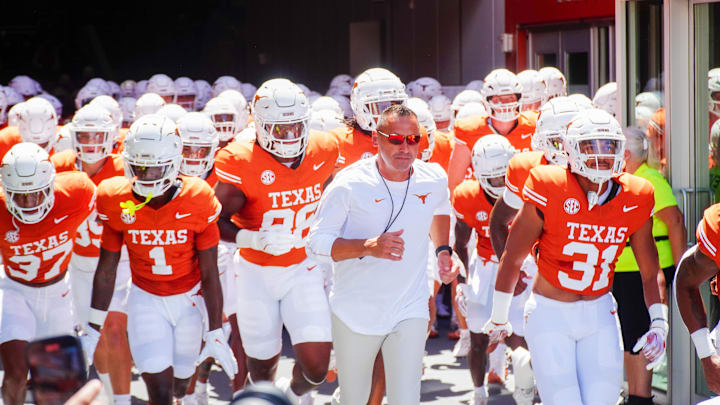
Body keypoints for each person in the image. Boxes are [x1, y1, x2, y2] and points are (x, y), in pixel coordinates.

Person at [484, 109, 667, 405]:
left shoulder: (636, 194)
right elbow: (513, 256)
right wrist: (499, 316)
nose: (601, 156)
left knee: (603, 401)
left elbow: (650, 271)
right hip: (550, 312)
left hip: (600, 311)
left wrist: (659, 322)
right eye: (590, 146)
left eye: (608, 146)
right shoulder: (548, 184)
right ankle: (523, 364)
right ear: (569, 149)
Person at [83, 114, 237, 405]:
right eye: (140, 167)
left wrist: (215, 330)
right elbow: (107, 268)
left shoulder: (197, 196)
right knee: (160, 394)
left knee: (180, 386)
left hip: (190, 300)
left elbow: (209, 271)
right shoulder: (115, 197)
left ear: (174, 162)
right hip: (145, 298)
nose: (148, 174)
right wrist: (93, 327)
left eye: (156, 167)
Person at [306, 104, 454, 405]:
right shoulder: (348, 183)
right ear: (376, 139)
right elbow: (316, 244)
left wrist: (442, 251)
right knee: (355, 399)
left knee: (407, 398)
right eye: (396, 139)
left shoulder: (433, 177)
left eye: (413, 139)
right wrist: (367, 246)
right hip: (355, 311)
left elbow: (440, 207)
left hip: (409, 307)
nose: (406, 147)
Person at [213, 79, 337, 404]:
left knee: (316, 370)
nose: (291, 135)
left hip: (303, 266)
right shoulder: (239, 159)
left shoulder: (323, 149)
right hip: (256, 271)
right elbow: (214, 221)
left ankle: (290, 397)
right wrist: (251, 237)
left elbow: (334, 198)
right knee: (262, 367)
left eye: (297, 125)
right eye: (280, 129)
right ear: (260, 125)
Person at [0, 143, 96, 405]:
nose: (28, 202)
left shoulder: (78, 192)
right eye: (19, 195)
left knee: (57, 386)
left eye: (36, 194)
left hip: (58, 294)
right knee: (17, 373)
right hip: (14, 290)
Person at [50, 104, 133, 405]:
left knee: (112, 330)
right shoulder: (57, 166)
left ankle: (122, 401)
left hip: (118, 262)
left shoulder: (126, 168)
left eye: (97, 135)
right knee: (90, 336)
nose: (90, 143)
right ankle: (108, 395)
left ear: (111, 136)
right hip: (75, 263)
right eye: (83, 136)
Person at [613, 127, 686, 405]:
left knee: (641, 332)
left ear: (627, 153)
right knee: (629, 333)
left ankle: (641, 398)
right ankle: (635, 394)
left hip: (643, 271)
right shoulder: (625, 180)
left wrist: (680, 270)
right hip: (624, 269)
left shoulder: (650, 179)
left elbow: (675, 221)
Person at [452, 135, 517, 405]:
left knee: (528, 333)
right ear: (479, 175)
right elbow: (461, 244)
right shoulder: (468, 195)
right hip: (486, 266)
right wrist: (463, 284)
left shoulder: (529, 187)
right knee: (477, 335)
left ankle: (531, 383)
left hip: (521, 265)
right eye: (495, 180)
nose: (502, 186)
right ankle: (478, 391)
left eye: (506, 178)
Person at [448, 69, 538, 191]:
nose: (505, 104)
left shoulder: (534, 124)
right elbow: (455, 182)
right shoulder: (470, 130)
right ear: (487, 101)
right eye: (498, 99)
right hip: (485, 198)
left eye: (510, 98)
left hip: (525, 196)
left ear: (519, 98)